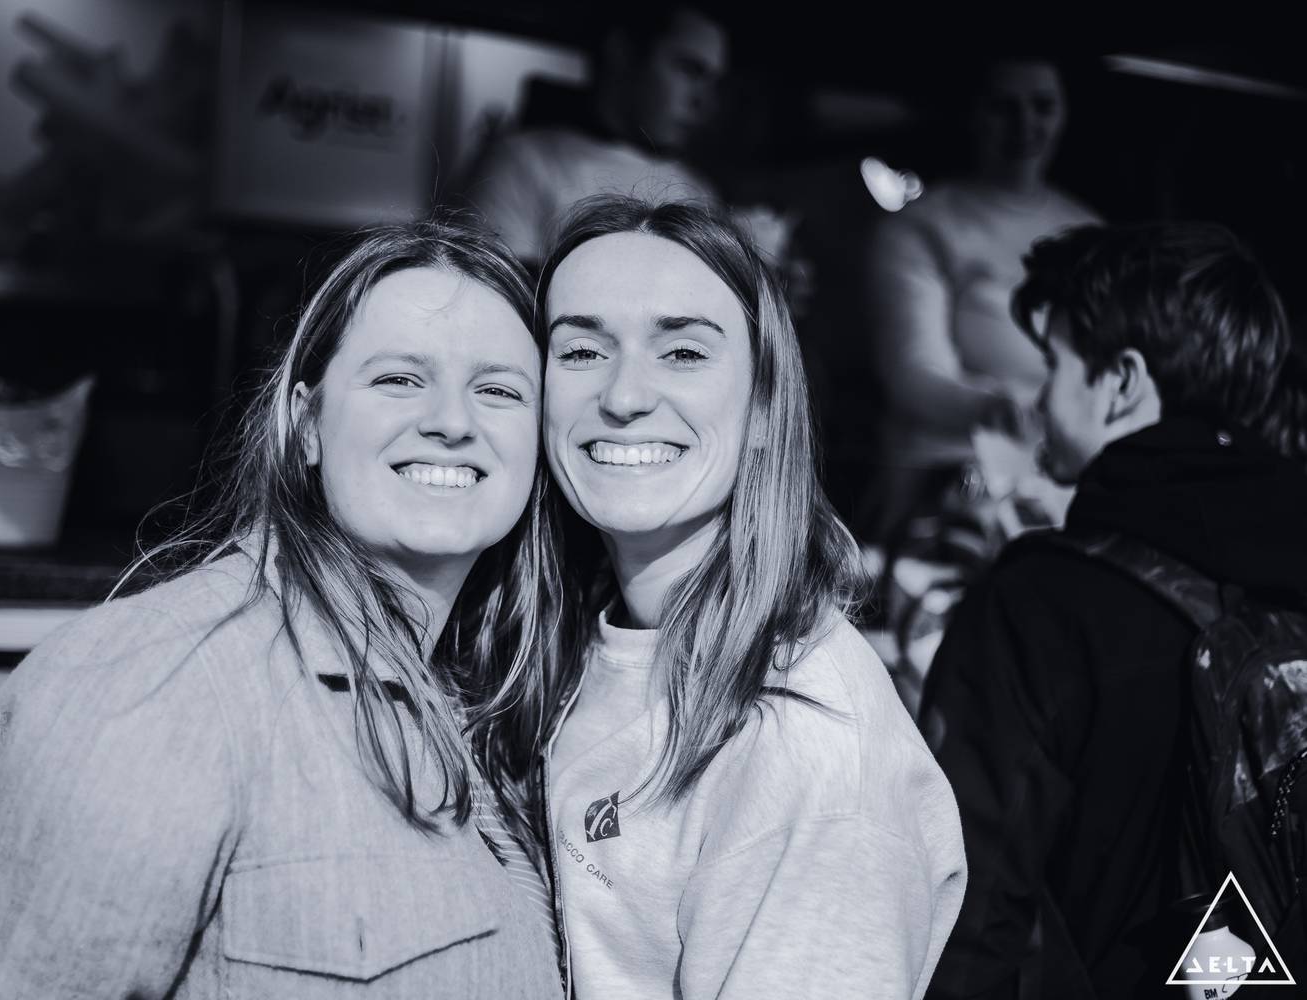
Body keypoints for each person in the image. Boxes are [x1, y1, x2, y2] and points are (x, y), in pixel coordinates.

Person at [0, 219, 564, 999]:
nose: (451, 421)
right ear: (307, 425)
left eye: (498, 390)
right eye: (398, 380)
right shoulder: (161, 681)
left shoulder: (494, 705)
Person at [503, 195, 966, 999]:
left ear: (762, 407)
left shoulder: (806, 750)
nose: (623, 395)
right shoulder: (574, 637)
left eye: (682, 352)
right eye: (580, 350)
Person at [919, 222, 1307, 999]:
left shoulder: (1039, 609)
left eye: (1056, 364)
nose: (1039, 397)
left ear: (1122, 381)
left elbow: (962, 915)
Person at [865, 55, 1100, 539]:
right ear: (973, 114)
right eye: (1004, 107)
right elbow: (912, 373)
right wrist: (1000, 407)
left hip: (1063, 481)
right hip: (946, 477)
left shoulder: (1088, 230)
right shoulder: (923, 227)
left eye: (1042, 106)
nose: (1025, 125)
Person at [463, 4, 726, 265]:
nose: (702, 100)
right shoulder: (521, 163)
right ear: (623, 52)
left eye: (712, 81)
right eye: (688, 70)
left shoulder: (699, 193)